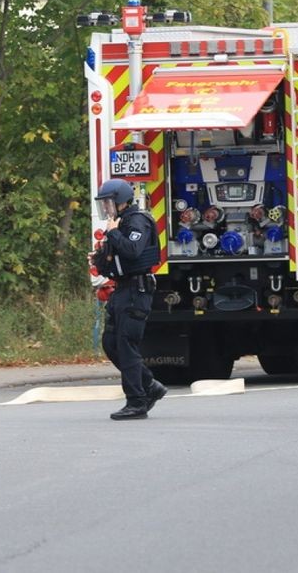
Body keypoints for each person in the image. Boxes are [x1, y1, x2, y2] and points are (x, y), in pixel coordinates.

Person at [91, 178, 168, 420]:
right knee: (111, 343)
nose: (106, 209)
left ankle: (136, 401)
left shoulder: (137, 222)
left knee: (126, 345)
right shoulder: (120, 223)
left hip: (137, 291)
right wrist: (98, 259)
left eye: (109, 203)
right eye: (103, 204)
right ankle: (150, 385)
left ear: (122, 201)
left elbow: (132, 251)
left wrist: (113, 233)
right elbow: (114, 262)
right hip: (121, 291)